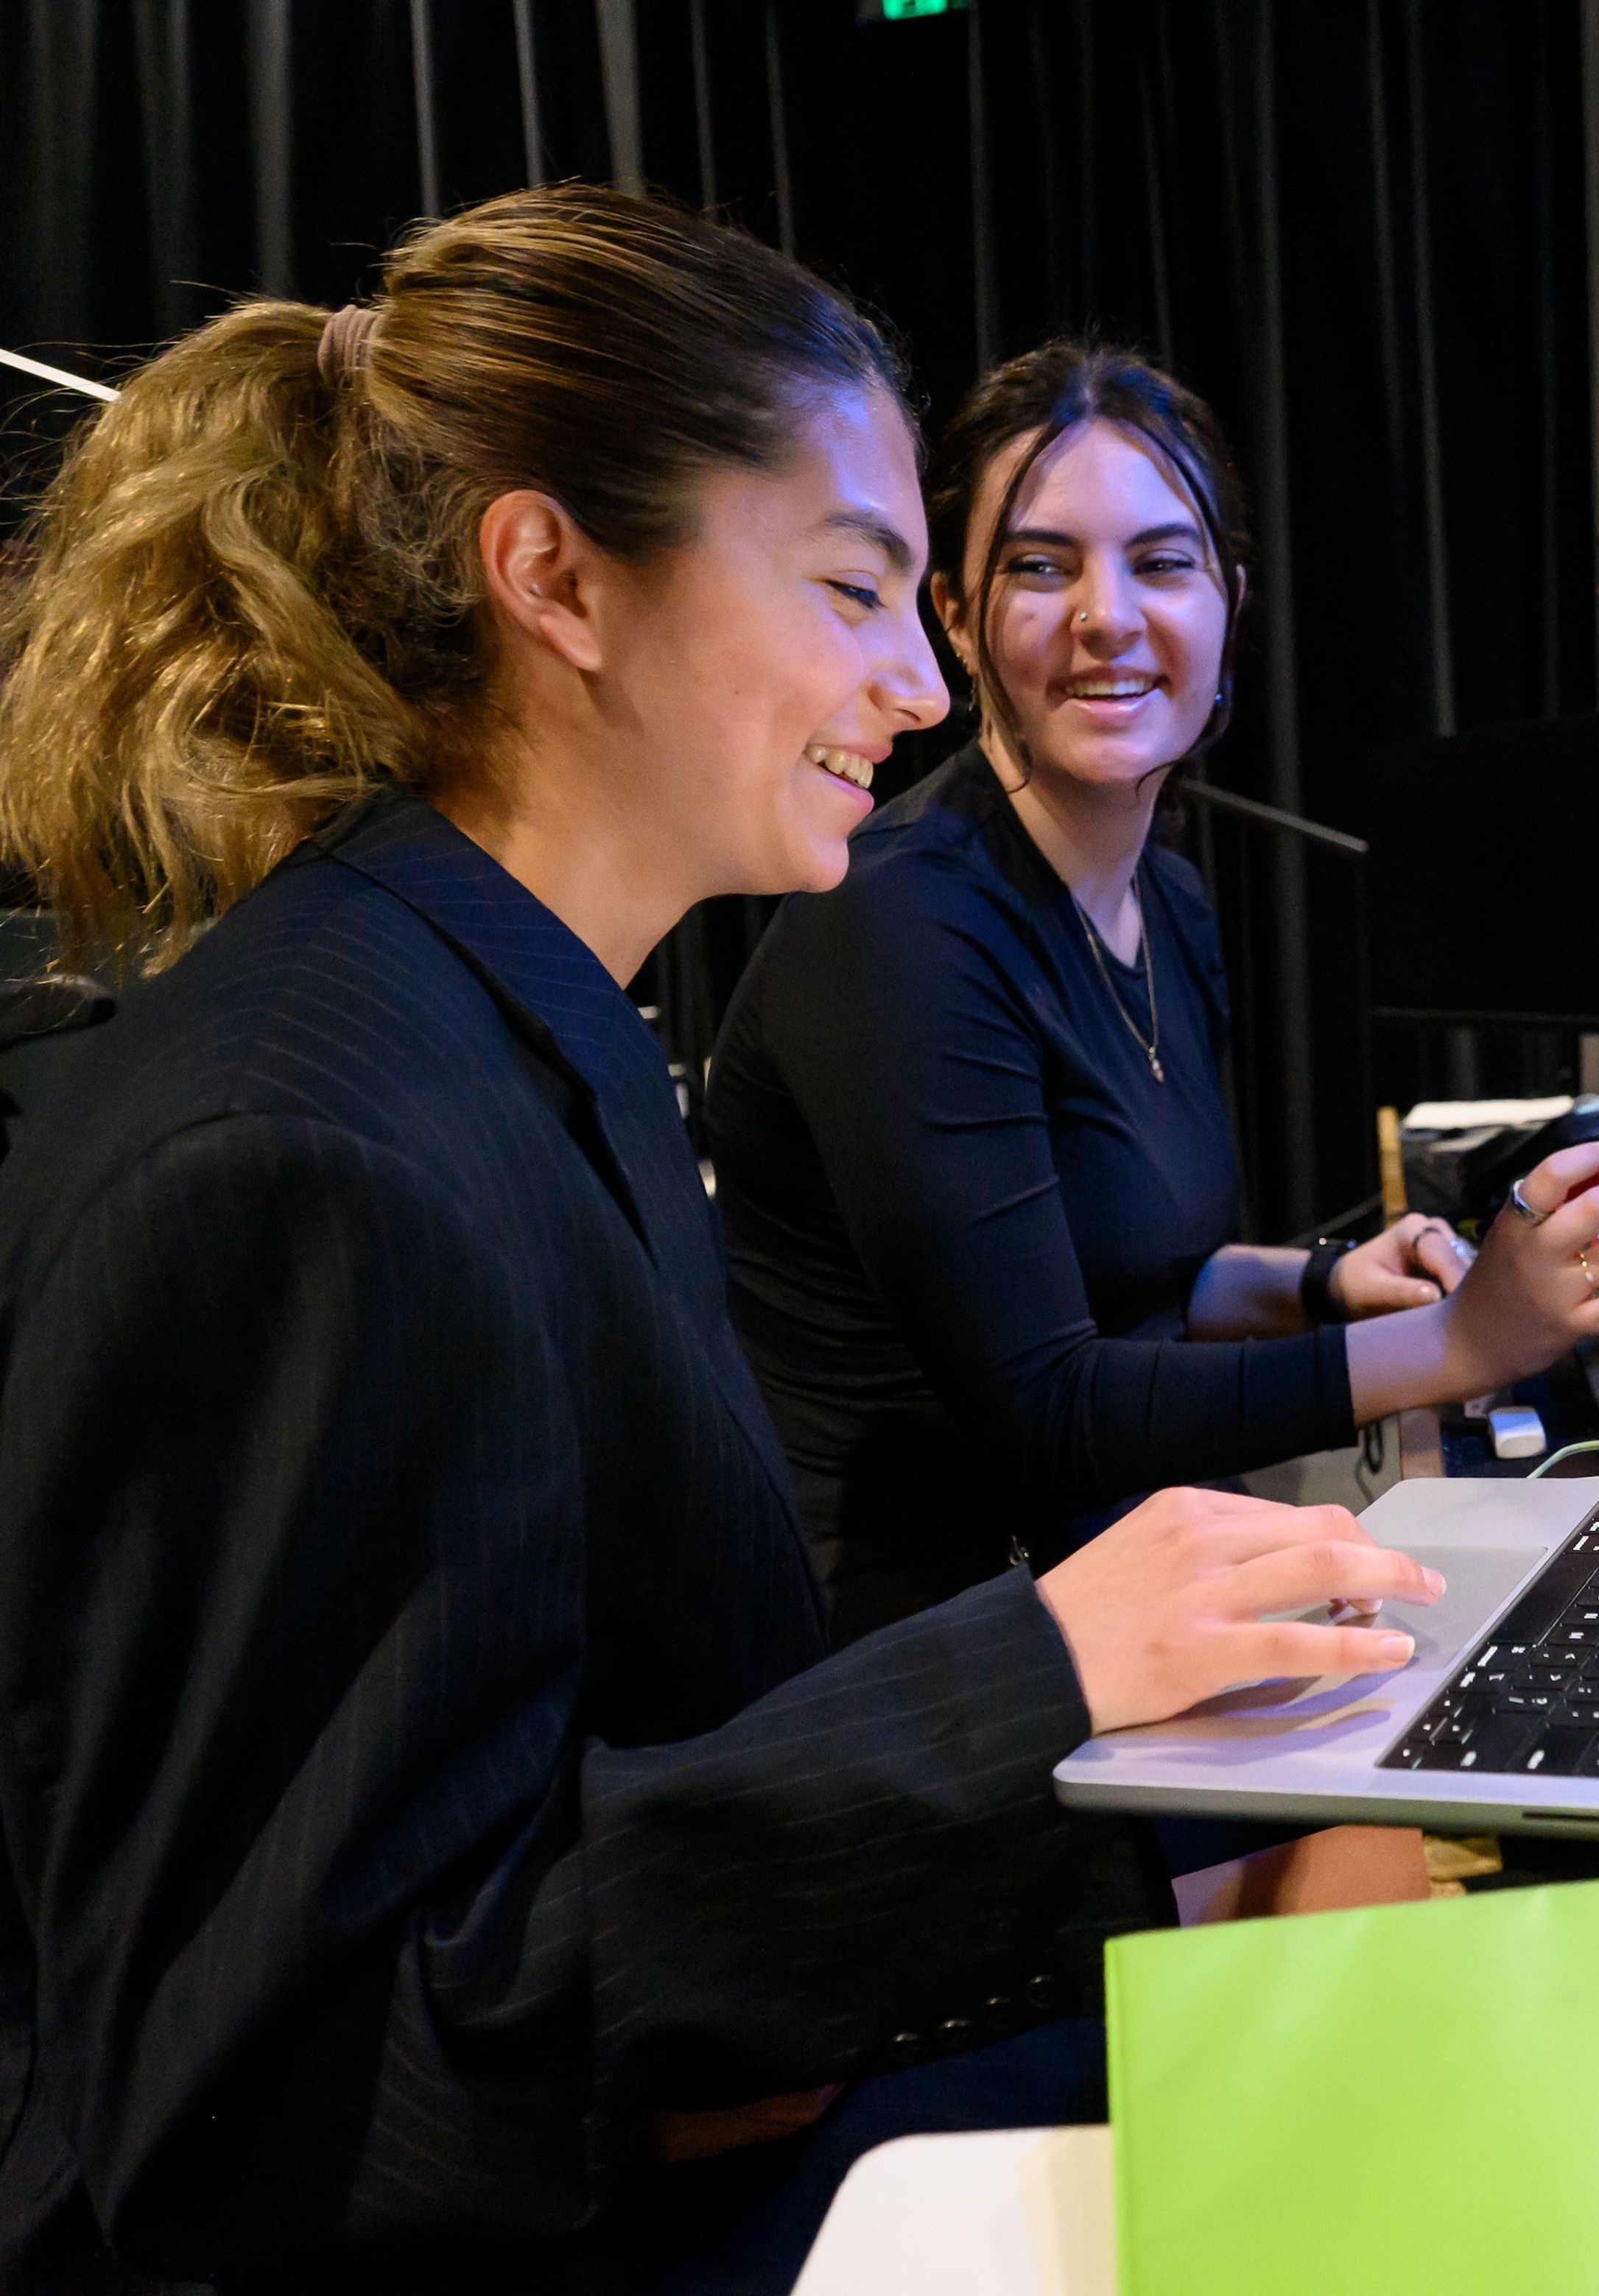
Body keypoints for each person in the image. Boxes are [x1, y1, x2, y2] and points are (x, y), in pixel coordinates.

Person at [0, 190, 1441, 2293]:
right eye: (860, 586)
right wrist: (1022, 1682)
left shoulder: (517, 1018)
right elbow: (295, 2103)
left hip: (664, 2108)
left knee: (1389, 1873)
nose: (917, 682)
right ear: (557, 578)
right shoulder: (304, 1146)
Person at [706, 341, 1599, 1640]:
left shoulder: (1165, 895)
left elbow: (1143, 1274)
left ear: (1226, 601)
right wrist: (1461, 1344)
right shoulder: (896, 922)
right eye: (1041, 567)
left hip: (1106, 1571)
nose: (1107, 616)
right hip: (913, 1648)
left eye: (1162, 563)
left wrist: (1330, 1279)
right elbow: (1048, 1406)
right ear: (955, 617)